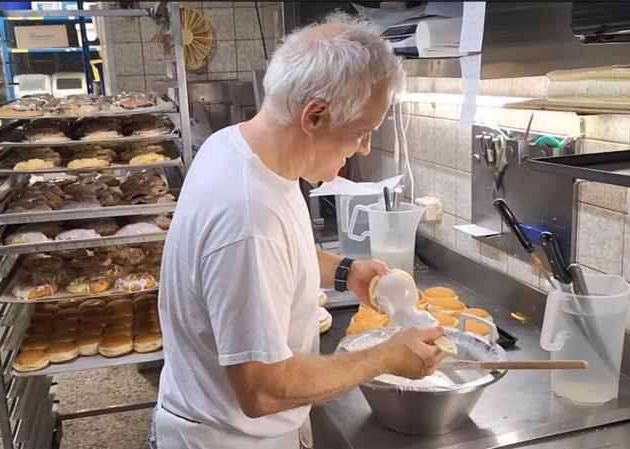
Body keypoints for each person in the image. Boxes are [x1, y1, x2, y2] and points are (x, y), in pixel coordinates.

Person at [152, 13, 448, 449]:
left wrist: (346, 271)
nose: (364, 148)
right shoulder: (247, 213)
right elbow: (262, 388)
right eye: (363, 132)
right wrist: (386, 356)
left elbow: (280, 257)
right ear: (315, 116)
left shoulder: (236, 147)